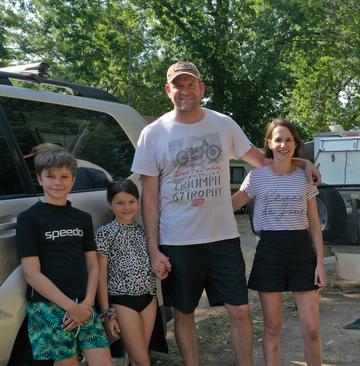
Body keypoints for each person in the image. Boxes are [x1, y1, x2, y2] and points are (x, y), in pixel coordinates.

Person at [130, 60, 321, 366]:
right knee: (184, 313)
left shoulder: (223, 124)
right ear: (169, 90)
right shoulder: (153, 134)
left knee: (240, 311)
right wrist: (154, 251)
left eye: (191, 84)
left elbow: (264, 161)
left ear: (202, 88)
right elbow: (148, 198)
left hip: (223, 238)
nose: (185, 90)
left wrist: (301, 163)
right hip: (178, 240)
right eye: (178, 85)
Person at [232, 118, 326, 366]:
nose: (283, 144)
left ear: (295, 144)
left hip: (301, 252)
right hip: (269, 253)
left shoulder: (305, 178)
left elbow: (315, 224)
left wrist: (320, 263)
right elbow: (232, 204)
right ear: (269, 144)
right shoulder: (256, 177)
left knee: (312, 329)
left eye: (288, 140)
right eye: (278, 139)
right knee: (272, 328)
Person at [15, 148, 112, 366]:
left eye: (64, 176)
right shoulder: (29, 219)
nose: (57, 182)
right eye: (50, 176)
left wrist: (86, 304)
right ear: (39, 178)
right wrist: (71, 307)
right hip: (48, 306)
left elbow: (93, 265)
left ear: (73, 179)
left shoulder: (82, 218)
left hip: (84, 305)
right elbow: (31, 274)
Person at [96, 179, 160, 366]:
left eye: (131, 202)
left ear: (138, 202)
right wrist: (107, 315)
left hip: (148, 299)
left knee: (138, 357)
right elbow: (101, 277)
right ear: (110, 204)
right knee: (142, 360)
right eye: (120, 203)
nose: (126, 207)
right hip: (122, 301)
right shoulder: (105, 233)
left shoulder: (144, 232)